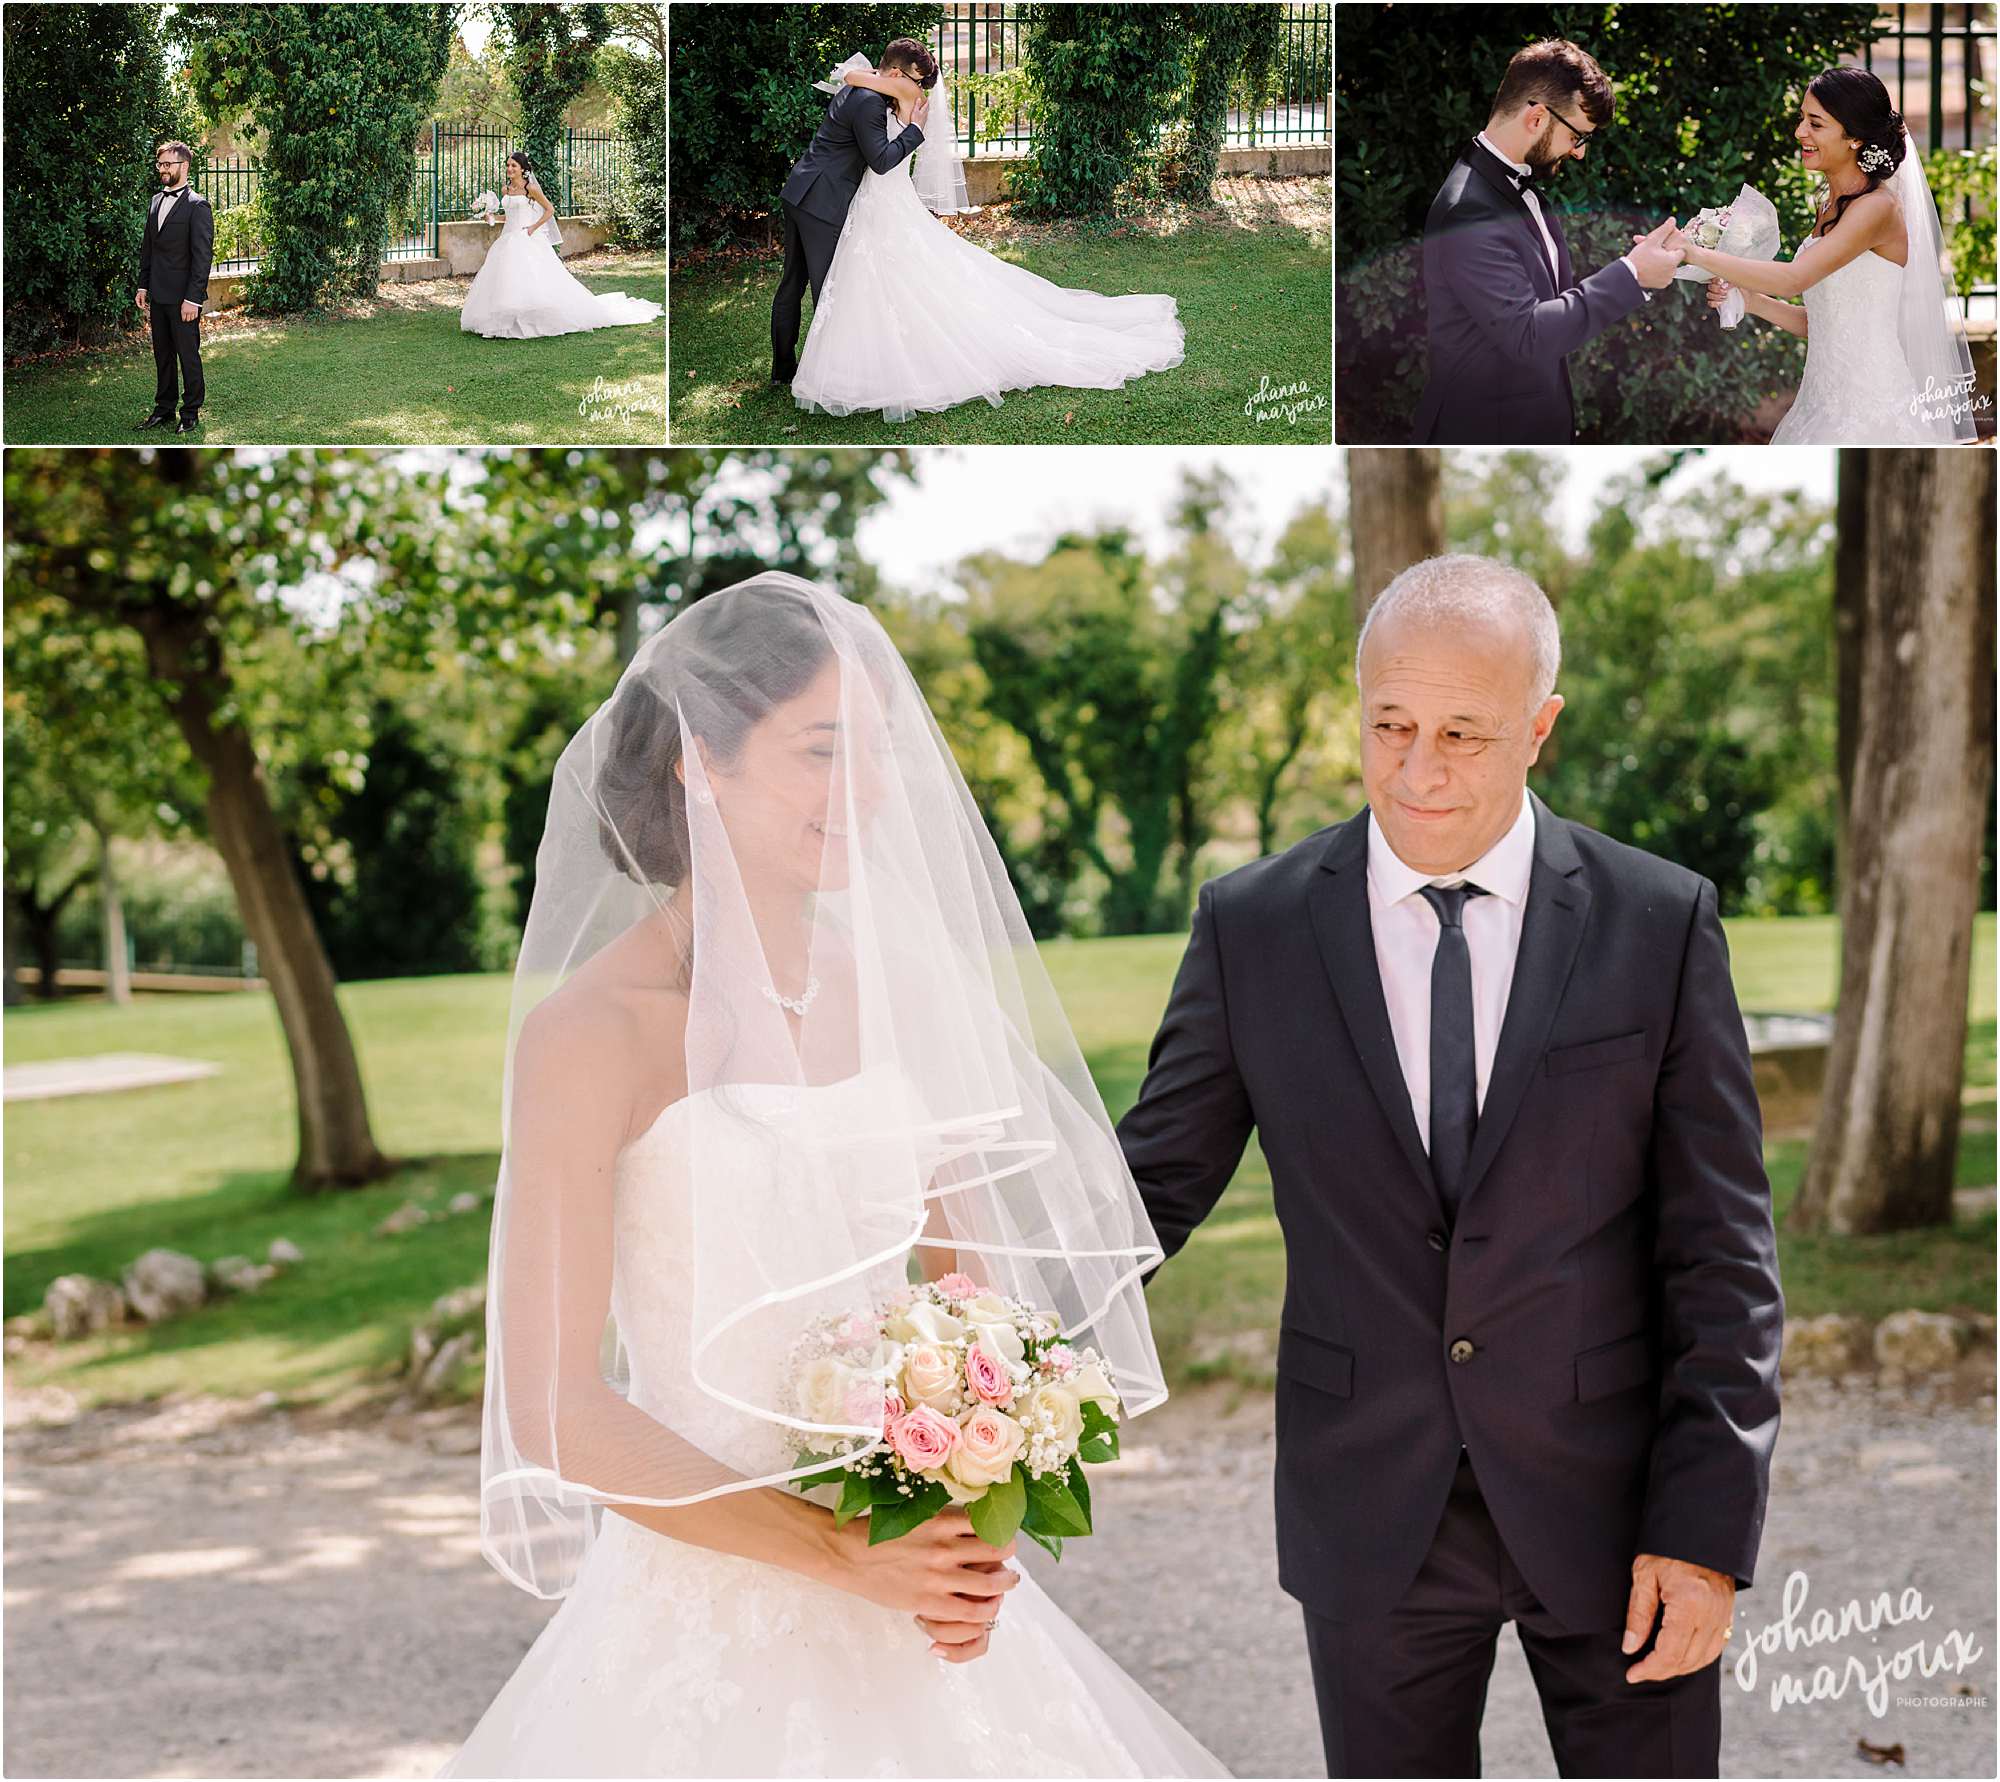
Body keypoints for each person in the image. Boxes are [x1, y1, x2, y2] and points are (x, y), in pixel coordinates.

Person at [436, 575, 1225, 1778]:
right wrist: (840, 1555)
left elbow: (983, 1318)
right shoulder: (590, 1036)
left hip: (915, 1595)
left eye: (877, 753)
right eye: (821, 750)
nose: (864, 793)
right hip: (706, 1617)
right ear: (702, 760)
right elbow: (555, 1410)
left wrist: (961, 1510)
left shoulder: (908, 999)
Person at [1117, 554, 1784, 1778]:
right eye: (1390, 724)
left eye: (1464, 735)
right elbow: (1144, 1195)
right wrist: (968, 1372)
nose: (1417, 771)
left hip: (1617, 1505)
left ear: (1539, 729)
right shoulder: (1250, 927)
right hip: (1368, 1509)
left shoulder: (1658, 921)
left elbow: (1721, 1255)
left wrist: (1704, 1531)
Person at [776, 43, 1184, 422]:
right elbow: (881, 162)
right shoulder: (867, 98)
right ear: (897, 73)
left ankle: (788, 369)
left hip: (801, 191)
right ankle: (827, 370)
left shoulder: (862, 84)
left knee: (794, 286)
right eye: (917, 81)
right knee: (831, 291)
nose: (921, 90)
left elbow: (860, 113)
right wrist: (914, 132)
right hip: (824, 205)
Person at [1673, 66, 1981, 444]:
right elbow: (1823, 321)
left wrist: (1694, 252)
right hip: (1818, 399)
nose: (1800, 132)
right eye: (1802, 118)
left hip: (1870, 404)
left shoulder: (1876, 209)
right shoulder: (1828, 203)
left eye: (1815, 124)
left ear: (1854, 137)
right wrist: (1751, 300)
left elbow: (1794, 278)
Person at [1411, 40, 1683, 444]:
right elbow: (1527, 334)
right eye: (1578, 137)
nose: (1578, 154)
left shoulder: (1523, 188)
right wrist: (1632, 275)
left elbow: (1545, 303)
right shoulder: (1468, 209)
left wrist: (1641, 266)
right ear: (1538, 118)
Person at [460, 151, 662, 340]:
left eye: (513, 165)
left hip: (527, 237)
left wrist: (532, 227)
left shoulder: (531, 188)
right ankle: (506, 321)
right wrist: (490, 216)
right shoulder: (506, 189)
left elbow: (549, 210)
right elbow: (508, 217)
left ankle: (532, 318)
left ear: (523, 168)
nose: (510, 169)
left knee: (532, 278)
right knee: (505, 279)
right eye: (508, 165)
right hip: (508, 238)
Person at [136, 139, 213, 435]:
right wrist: (143, 286)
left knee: (188, 355)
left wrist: (193, 299)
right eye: (160, 164)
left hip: (184, 299)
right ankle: (164, 408)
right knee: (162, 354)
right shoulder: (156, 201)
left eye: (168, 164)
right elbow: (149, 249)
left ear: (185, 166)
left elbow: (202, 257)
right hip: (158, 294)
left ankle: (190, 412)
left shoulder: (198, 206)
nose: (162, 169)